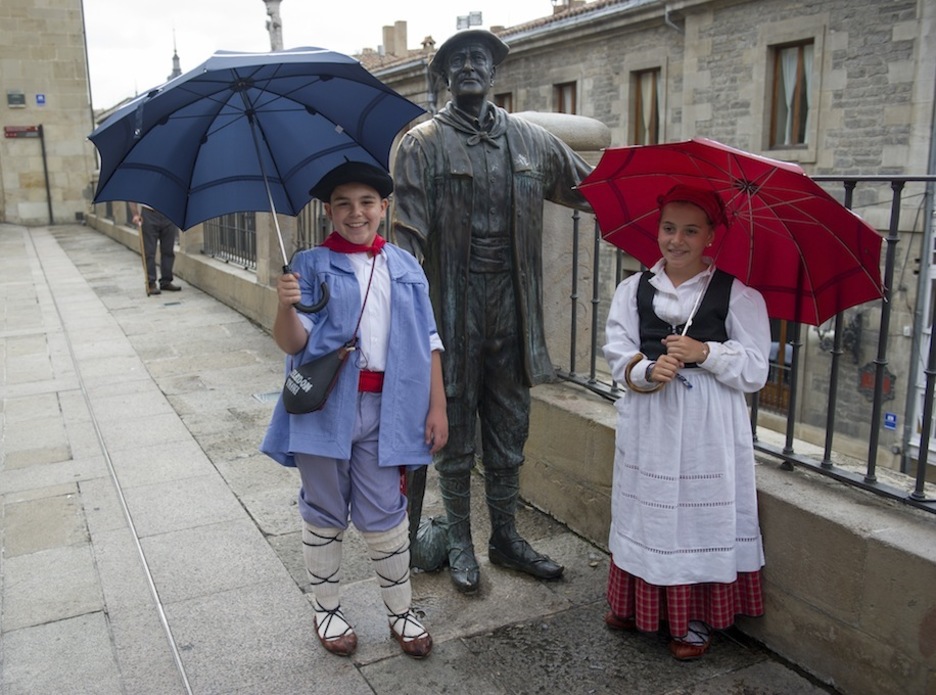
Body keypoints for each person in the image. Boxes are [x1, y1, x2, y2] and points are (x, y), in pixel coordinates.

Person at [392, 29, 593, 594]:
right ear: (444, 76)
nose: (472, 67)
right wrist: (402, 318)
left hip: (514, 304)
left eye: (481, 58)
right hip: (451, 306)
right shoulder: (422, 144)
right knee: (452, 421)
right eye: (459, 60)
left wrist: (667, 216)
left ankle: (505, 536)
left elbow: (595, 188)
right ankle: (460, 541)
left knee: (510, 421)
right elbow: (406, 237)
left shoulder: (529, 141)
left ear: (496, 73)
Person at [260, 161, 448, 659]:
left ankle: (402, 610)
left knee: (386, 510)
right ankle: (327, 607)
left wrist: (438, 406)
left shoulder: (406, 266)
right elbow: (293, 342)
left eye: (366, 202)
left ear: (384, 208)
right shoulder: (310, 262)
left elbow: (430, 340)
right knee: (323, 507)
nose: (356, 213)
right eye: (343, 203)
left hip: (391, 408)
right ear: (329, 211)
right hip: (326, 407)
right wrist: (284, 305)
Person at [601, 184, 771, 660]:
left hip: (706, 423)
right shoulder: (633, 290)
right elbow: (617, 349)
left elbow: (756, 368)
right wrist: (648, 370)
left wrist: (706, 353)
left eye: (690, 231)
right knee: (648, 508)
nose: (677, 240)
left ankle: (692, 616)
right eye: (669, 228)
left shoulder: (735, 294)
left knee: (697, 512)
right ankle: (635, 604)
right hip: (652, 416)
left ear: (710, 236)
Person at [129, 202, 181, 295]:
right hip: (149, 213)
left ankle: (166, 281)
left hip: (168, 212)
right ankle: (151, 283)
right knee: (149, 251)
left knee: (168, 250)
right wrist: (135, 214)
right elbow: (132, 196)